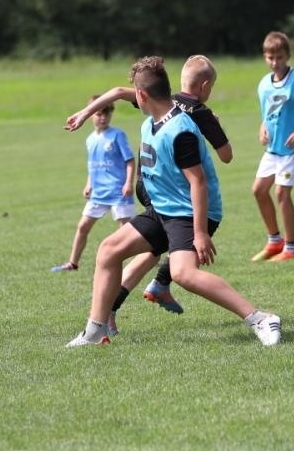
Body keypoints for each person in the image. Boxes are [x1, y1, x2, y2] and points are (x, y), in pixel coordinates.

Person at [66, 55, 281, 348]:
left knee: (183, 273)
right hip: (163, 210)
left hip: (190, 212)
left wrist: (200, 232)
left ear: (141, 96)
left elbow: (198, 182)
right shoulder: (150, 124)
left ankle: (260, 318)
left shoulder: (180, 131)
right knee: (108, 250)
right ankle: (94, 332)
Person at [64, 57, 232, 317]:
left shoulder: (165, 99)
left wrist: (85, 113)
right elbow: (226, 155)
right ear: (206, 85)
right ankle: (148, 290)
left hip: (147, 183)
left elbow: (119, 92)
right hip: (171, 191)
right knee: (171, 246)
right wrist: (213, 126)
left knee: (153, 248)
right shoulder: (200, 113)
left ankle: (143, 293)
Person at [249, 30, 294, 262]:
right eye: (270, 57)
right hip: (274, 149)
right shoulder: (264, 84)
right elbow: (269, 112)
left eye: (279, 57)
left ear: (287, 56)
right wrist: (262, 126)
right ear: (265, 57)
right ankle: (274, 242)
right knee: (259, 190)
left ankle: (292, 249)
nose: (275, 62)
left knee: (281, 191)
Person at [50, 96, 137, 273]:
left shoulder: (117, 135)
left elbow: (130, 160)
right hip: (99, 192)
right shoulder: (90, 139)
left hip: (118, 191)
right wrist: (88, 184)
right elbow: (93, 164)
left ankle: (133, 263)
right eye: (99, 114)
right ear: (91, 115)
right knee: (83, 226)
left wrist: (129, 182)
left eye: (107, 113)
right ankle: (72, 263)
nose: (103, 117)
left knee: (126, 232)